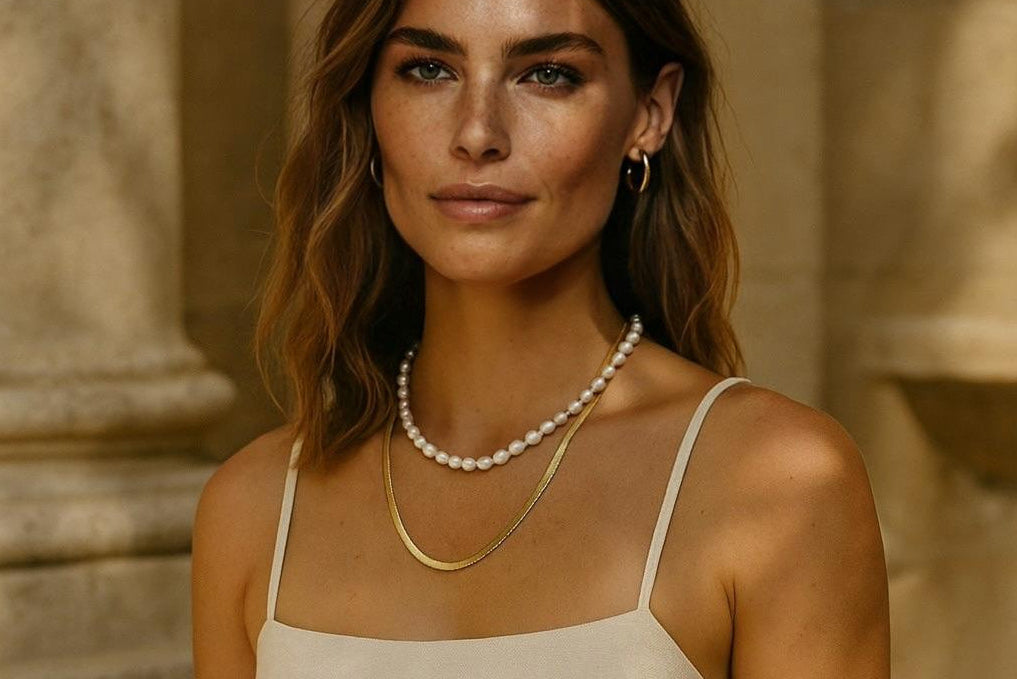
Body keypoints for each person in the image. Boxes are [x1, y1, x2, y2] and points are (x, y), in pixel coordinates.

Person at [191, 0, 891, 676]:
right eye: (428, 69)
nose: (476, 132)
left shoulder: (777, 482)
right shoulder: (253, 509)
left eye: (547, 73)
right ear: (367, 110)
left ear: (650, 112)